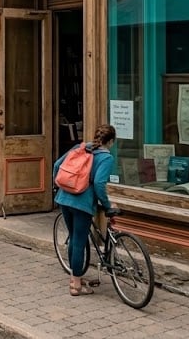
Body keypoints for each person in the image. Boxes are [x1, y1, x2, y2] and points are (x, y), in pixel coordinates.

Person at [53, 123, 116, 296]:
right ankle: (76, 285)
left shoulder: (80, 148)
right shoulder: (106, 158)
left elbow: (57, 165)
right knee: (79, 241)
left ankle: (74, 278)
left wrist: (59, 186)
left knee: (74, 238)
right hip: (82, 203)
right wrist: (107, 206)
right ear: (111, 141)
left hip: (64, 198)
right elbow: (99, 184)